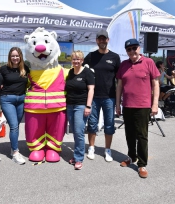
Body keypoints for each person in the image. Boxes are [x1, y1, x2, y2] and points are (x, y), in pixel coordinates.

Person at [116, 39, 160, 178]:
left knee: (142, 136)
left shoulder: (149, 62)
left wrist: (155, 104)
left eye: (134, 48)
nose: (132, 51)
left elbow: (156, 84)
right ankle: (131, 157)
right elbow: (119, 87)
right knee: (129, 134)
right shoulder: (124, 65)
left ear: (139, 48)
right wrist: (118, 104)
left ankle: (142, 164)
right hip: (127, 105)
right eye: (128, 49)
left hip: (143, 106)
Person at [83, 28, 121, 162]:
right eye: (100, 39)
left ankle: (107, 149)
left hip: (109, 97)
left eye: (104, 38)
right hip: (93, 97)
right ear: (97, 40)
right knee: (92, 124)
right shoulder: (91, 56)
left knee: (109, 124)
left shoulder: (115, 57)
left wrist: (118, 101)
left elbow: (119, 80)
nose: (102, 41)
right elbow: (82, 71)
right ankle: (91, 147)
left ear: (108, 40)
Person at [0, 47, 30, 165]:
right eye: (13, 56)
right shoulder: (3, 69)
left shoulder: (25, 68)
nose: (15, 58)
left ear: (20, 56)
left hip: (21, 99)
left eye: (17, 56)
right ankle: (15, 152)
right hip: (7, 100)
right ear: (9, 57)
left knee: (16, 125)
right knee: (13, 126)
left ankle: (13, 147)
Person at [66, 51, 95, 170]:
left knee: (79, 132)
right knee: (75, 132)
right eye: (74, 59)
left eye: (78, 59)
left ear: (82, 60)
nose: (76, 61)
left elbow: (91, 90)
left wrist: (88, 106)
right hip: (70, 105)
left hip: (81, 106)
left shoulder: (87, 72)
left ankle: (79, 159)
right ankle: (76, 155)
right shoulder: (70, 72)